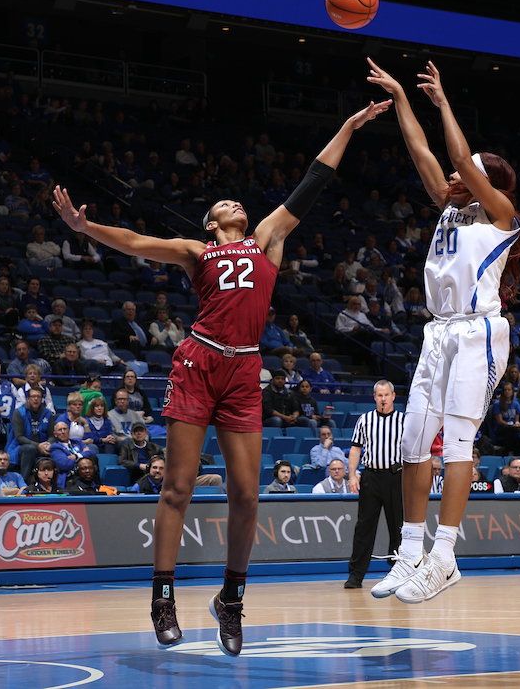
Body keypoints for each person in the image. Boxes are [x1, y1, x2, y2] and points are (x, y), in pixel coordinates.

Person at [53, 96, 392, 655]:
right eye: (223, 204)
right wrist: (85, 228)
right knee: (178, 487)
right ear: (214, 225)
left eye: (238, 201)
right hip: (198, 362)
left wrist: (350, 126)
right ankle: (162, 598)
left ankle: (230, 601)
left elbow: (313, 180)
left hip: (244, 370)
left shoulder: (266, 241)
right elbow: (136, 243)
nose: (236, 202)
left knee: (248, 497)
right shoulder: (197, 251)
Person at [365, 57, 520, 606]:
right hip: (438, 333)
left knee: (458, 443)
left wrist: (443, 103)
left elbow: (459, 155)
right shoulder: (450, 208)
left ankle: (445, 556)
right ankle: (410, 553)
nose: (456, 173)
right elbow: (424, 154)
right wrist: (403, 100)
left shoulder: (501, 215)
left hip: (478, 333)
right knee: (413, 442)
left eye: (470, 172)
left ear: (489, 183)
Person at [344, 380, 405, 590]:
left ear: (393, 396)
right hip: (370, 477)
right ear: (374, 397)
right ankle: (356, 575)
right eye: (379, 395)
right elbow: (355, 449)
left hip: (395, 477)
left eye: (386, 395)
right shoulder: (365, 419)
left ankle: (399, 571)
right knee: (364, 527)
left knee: (398, 527)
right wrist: (352, 475)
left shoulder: (403, 421)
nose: (383, 398)